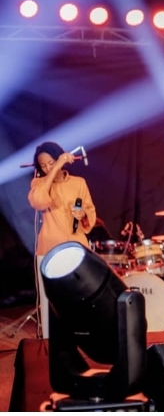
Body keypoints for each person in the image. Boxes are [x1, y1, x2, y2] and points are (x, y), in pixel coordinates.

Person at [27, 141, 97, 338]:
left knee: (80, 298)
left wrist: (82, 215)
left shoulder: (78, 183)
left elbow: (90, 213)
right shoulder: (39, 184)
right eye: (43, 165)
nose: (48, 168)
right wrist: (56, 167)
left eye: (51, 162)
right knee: (50, 303)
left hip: (77, 249)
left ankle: (82, 342)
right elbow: (38, 201)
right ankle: (50, 343)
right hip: (49, 249)